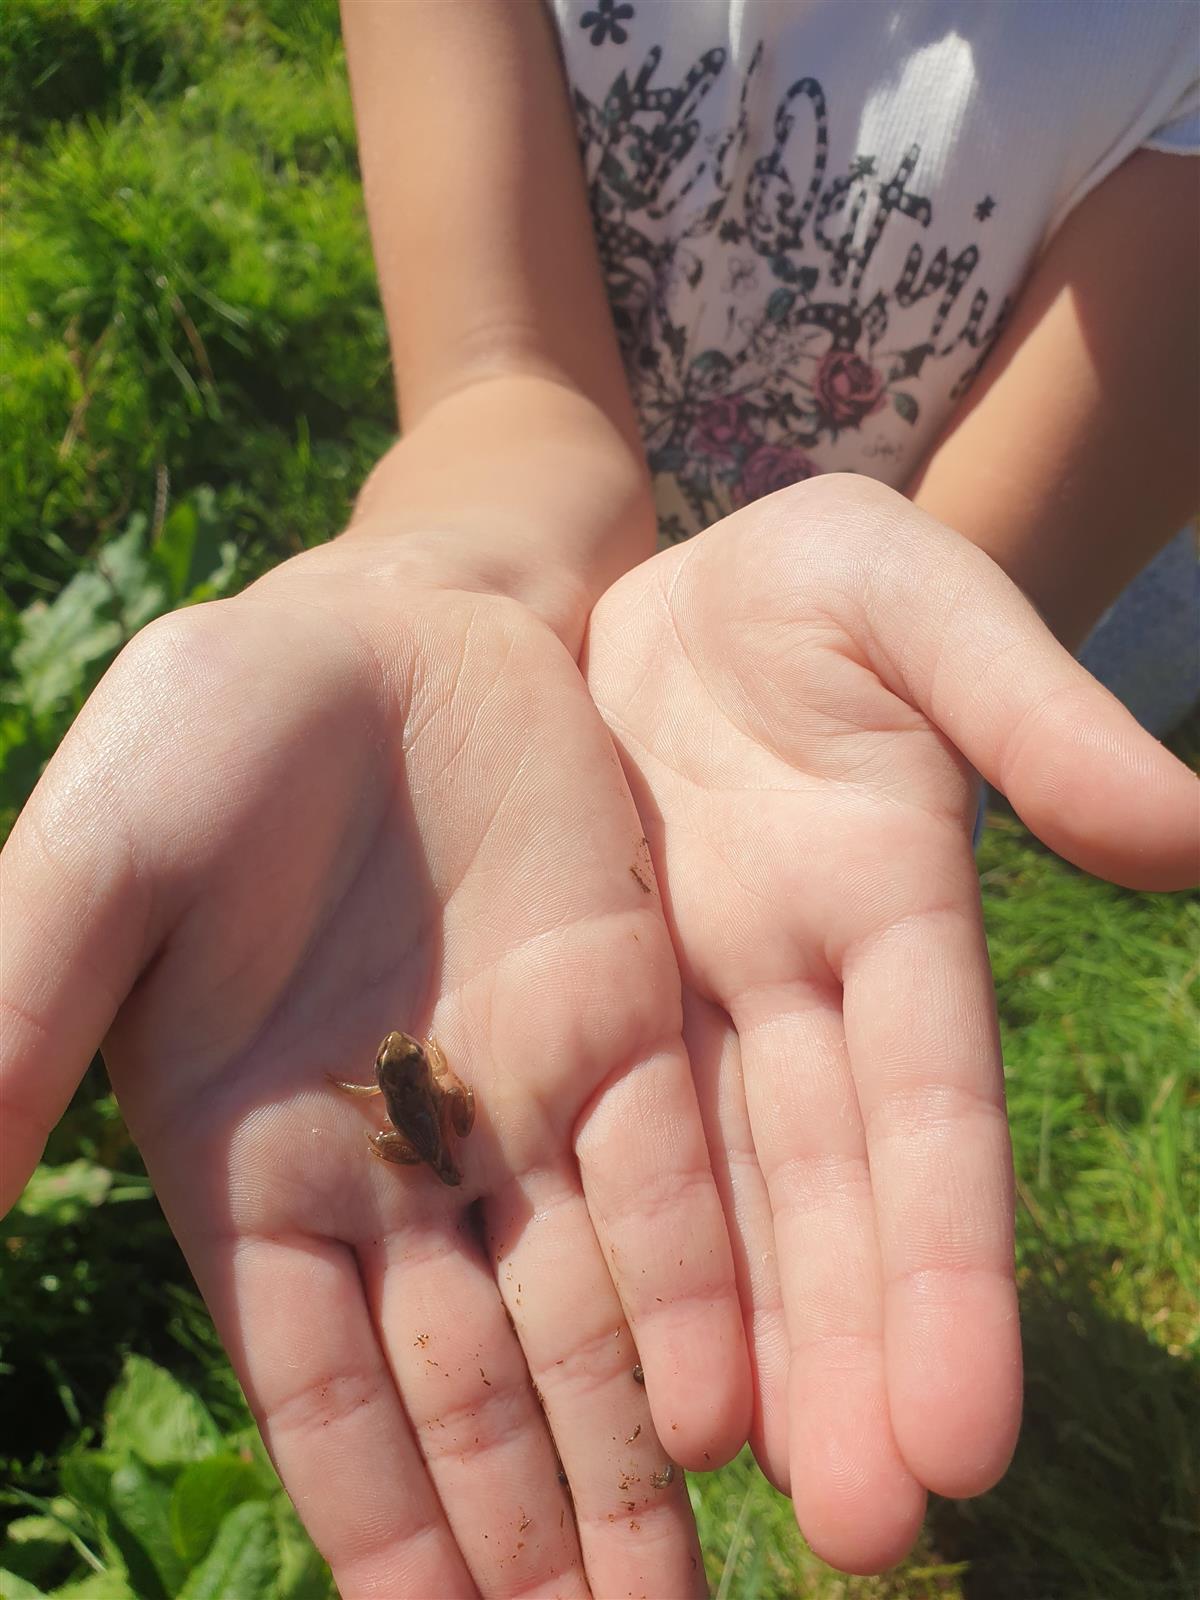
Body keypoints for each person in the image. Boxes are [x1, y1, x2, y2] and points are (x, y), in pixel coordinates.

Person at [1, 1, 1196, 1593]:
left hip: (828, 723)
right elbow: (501, 383)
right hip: (587, 647)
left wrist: (841, 671)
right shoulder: (415, 1092)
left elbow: (963, 572)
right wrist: (428, 578)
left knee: (822, 1119)